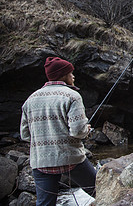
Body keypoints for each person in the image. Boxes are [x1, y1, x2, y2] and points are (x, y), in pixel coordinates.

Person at [20, 57, 96, 205]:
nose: (73, 76)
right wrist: (86, 129)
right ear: (63, 75)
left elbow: (25, 134)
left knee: (45, 203)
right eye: (70, 73)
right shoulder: (72, 96)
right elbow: (78, 132)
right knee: (101, 190)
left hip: (41, 161)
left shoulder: (30, 99)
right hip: (71, 158)